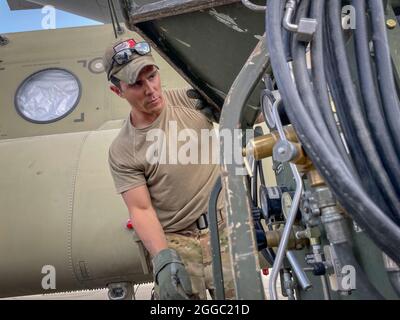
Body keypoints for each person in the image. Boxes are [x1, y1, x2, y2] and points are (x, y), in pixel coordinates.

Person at [103, 37, 234, 300]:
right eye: (137, 84)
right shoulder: (123, 150)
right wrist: (163, 260)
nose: (150, 89)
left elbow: (248, 109)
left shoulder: (191, 101)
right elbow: (141, 209)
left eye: (152, 76)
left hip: (225, 229)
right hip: (177, 242)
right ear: (117, 91)